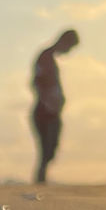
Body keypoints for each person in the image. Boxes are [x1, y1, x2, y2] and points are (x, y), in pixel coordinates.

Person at [31, 28, 79, 183]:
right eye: (70, 48)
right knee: (47, 148)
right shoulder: (45, 57)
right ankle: (40, 181)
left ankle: (41, 180)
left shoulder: (50, 58)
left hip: (51, 111)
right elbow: (37, 82)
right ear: (64, 42)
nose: (68, 52)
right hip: (45, 112)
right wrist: (47, 101)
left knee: (50, 149)